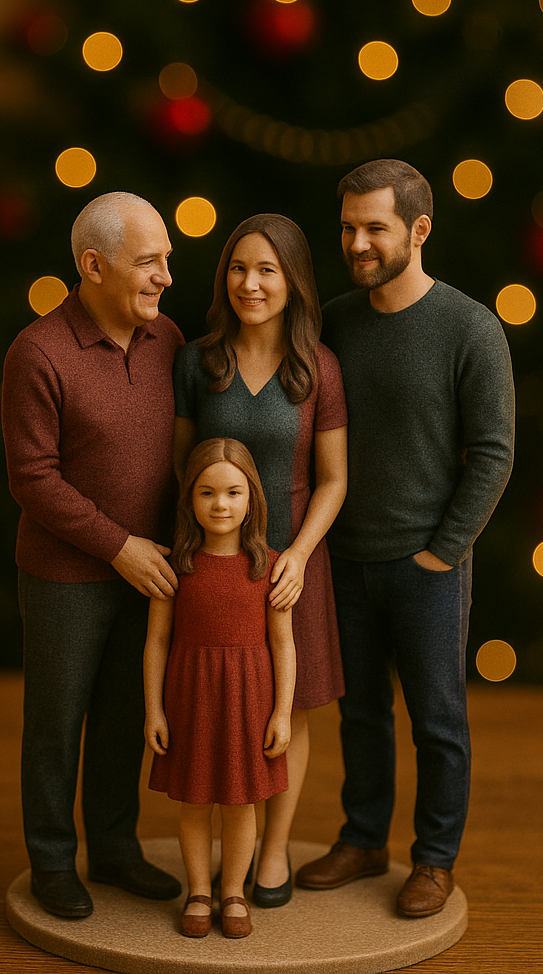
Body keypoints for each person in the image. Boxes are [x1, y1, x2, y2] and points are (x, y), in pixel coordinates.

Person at [296, 159, 514, 917]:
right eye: (349, 227)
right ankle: (362, 840)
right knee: (360, 714)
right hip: (344, 559)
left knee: (438, 721)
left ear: (419, 230)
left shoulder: (470, 327)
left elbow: (493, 451)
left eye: (374, 228)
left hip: (427, 564)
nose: (357, 243)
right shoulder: (334, 321)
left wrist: (444, 551)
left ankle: (433, 859)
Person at [1, 191, 184, 919]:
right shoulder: (38, 353)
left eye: (167, 258)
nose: (167, 275)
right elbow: (31, 478)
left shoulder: (167, 339)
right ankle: (51, 862)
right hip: (66, 577)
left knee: (120, 714)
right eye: (149, 261)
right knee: (57, 720)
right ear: (93, 266)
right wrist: (120, 547)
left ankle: (113, 849)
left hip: (150, 574)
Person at [173, 214, 348, 906]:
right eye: (239, 269)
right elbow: (178, 468)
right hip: (214, 563)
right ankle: (209, 859)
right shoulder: (196, 360)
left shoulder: (319, 369)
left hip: (290, 567)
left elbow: (334, 479)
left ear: (294, 280)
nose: (251, 283)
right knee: (213, 697)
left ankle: (271, 852)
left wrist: (300, 555)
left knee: (290, 705)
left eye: (267, 270)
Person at [145, 437, 296, 939]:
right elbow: (158, 641)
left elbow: (283, 646)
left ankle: (233, 892)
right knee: (195, 803)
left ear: (252, 497)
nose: (221, 504)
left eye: (233, 492)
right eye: (207, 493)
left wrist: (282, 713)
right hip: (191, 700)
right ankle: (199, 892)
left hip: (248, 702)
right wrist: (154, 711)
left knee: (240, 804)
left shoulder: (269, 567)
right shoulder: (177, 566)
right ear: (189, 498)